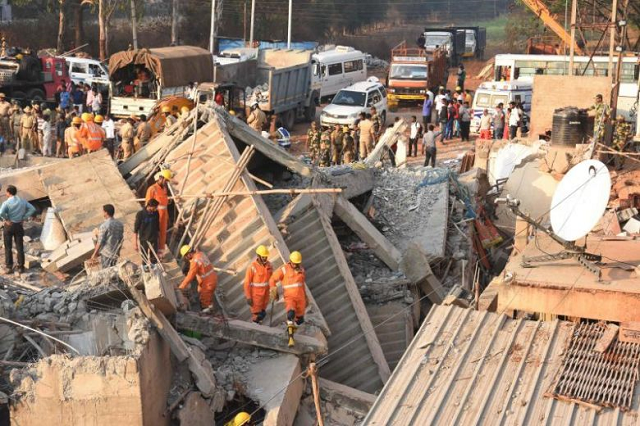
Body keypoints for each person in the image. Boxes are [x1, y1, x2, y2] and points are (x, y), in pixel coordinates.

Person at [269, 251, 307, 347]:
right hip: (290, 297)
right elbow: (272, 279)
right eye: (293, 263)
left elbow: (302, 285)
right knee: (290, 314)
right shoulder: (284, 269)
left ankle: (290, 330)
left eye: (296, 263)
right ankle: (290, 339)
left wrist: (306, 297)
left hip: (301, 299)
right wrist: (273, 288)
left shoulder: (301, 270)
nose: (295, 265)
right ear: (290, 261)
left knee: (300, 320)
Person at [0, 185, 36, 274]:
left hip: (9, 226)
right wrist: (24, 218)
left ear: (8, 192)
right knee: (19, 247)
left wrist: (7, 220)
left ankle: (9, 267)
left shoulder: (6, 203)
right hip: (19, 225)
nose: (5, 193)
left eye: (6, 192)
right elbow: (32, 209)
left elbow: (1, 212)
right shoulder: (22, 201)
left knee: (8, 247)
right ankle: (21, 267)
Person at [179, 245, 219, 313]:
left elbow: (190, 276)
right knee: (201, 293)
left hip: (208, 283)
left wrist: (181, 287)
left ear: (188, 254)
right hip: (212, 278)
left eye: (186, 256)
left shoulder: (195, 261)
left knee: (205, 302)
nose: (186, 258)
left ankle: (209, 315)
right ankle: (209, 308)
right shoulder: (200, 254)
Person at [244, 245, 273, 324]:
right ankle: (255, 325)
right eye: (263, 257)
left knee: (263, 312)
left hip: (266, 293)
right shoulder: (252, 267)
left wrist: (273, 289)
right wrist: (248, 297)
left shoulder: (269, 265)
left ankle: (259, 322)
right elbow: (247, 283)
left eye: (266, 257)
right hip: (256, 294)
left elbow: (272, 279)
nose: (265, 258)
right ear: (258, 256)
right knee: (256, 314)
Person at [145, 169, 172, 254]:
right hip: (155, 215)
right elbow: (147, 204)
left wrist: (167, 216)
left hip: (164, 215)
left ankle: (161, 253)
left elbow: (164, 203)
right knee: (155, 234)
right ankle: (152, 252)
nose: (166, 182)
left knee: (163, 234)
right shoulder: (152, 189)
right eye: (166, 180)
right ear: (161, 178)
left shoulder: (164, 189)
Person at [91, 204, 124, 269]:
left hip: (106, 254)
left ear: (106, 212)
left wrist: (94, 254)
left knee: (107, 273)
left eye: (103, 211)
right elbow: (121, 239)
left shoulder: (104, 225)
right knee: (114, 272)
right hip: (115, 253)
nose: (102, 213)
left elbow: (100, 241)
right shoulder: (120, 224)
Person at [133, 199, 160, 264]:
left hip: (154, 239)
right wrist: (135, 243)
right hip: (144, 239)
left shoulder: (156, 213)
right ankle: (145, 269)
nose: (156, 209)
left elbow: (157, 226)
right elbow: (135, 230)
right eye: (155, 207)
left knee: (154, 257)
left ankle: (154, 269)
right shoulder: (140, 214)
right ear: (150, 206)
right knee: (144, 257)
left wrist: (158, 238)